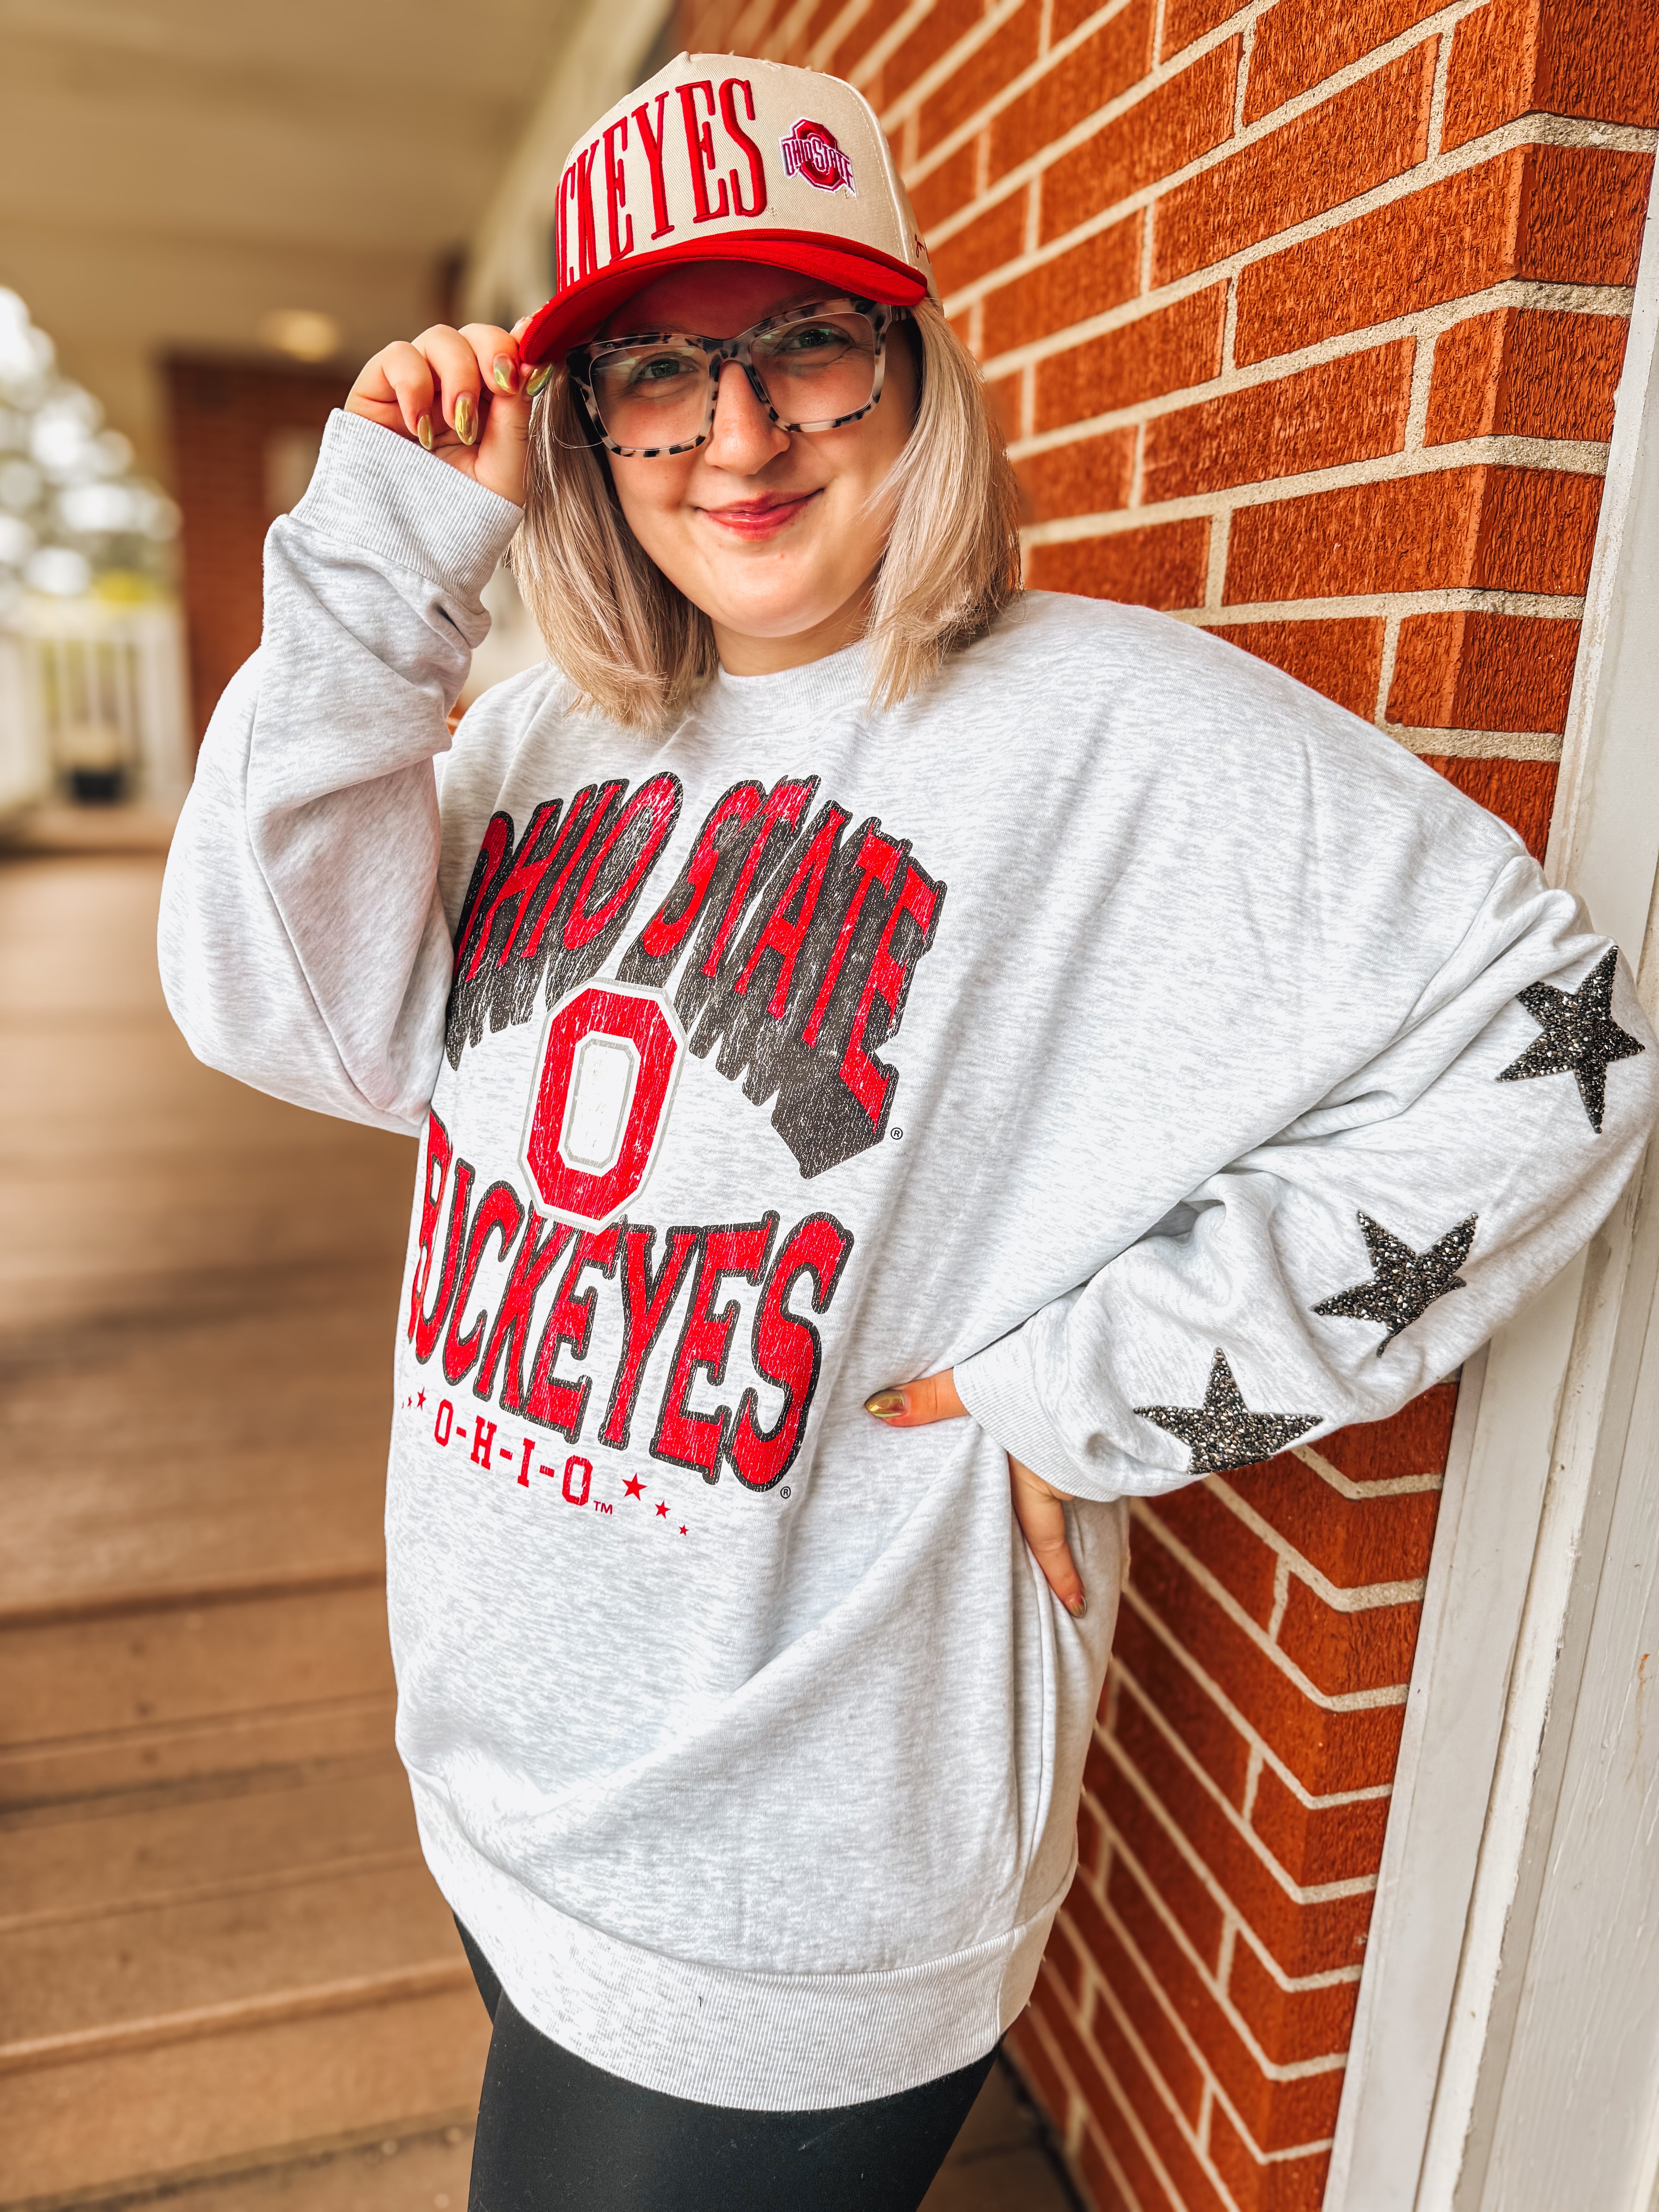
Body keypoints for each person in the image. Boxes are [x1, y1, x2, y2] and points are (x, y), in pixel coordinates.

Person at [159, 50, 1659, 2212]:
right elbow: (282, 1010)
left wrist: (1101, 1386)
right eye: (657, 377)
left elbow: (1567, 1045)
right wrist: (388, 547)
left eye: (808, 347)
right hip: (507, 1771)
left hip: (797, 1854)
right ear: (584, 435)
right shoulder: (540, 731)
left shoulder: (1114, 729)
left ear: (915, 363)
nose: (737, 435)